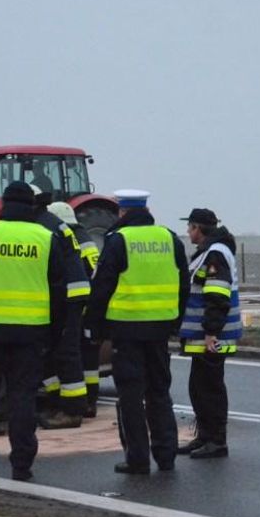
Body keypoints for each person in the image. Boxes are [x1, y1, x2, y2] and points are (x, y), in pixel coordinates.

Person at [0, 181, 88, 483]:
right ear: (33, 205)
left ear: (5, 204)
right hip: (31, 333)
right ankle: (22, 467)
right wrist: (54, 333)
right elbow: (58, 291)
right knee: (23, 399)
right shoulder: (46, 237)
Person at [84, 189, 189, 475]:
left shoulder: (118, 240)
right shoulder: (169, 238)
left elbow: (102, 286)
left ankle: (138, 459)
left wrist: (93, 327)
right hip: (159, 331)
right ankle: (166, 456)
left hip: (126, 330)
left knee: (130, 396)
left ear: (122, 212)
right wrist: (175, 322)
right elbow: (183, 283)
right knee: (159, 393)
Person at [177, 208, 242, 459]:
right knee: (198, 387)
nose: (187, 232)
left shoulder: (215, 254)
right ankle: (204, 437)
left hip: (213, 336)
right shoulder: (210, 251)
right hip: (205, 335)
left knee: (210, 390)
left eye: (190, 227)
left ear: (197, 228)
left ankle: (216, 441)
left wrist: (211, 332)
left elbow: (217, 295)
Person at [30, 186, 88, 429]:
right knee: (52, 351)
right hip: (66, 291)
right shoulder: (48, 221)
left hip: (67, 294)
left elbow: (51, 269)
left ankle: (73, 412)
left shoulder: (44, 226)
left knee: (66, 352)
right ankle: (57, 402)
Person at [47, 200, 102, 419]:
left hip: (73, 304)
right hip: (91, 304)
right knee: (89, 356)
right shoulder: (87, 237)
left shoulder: (64, 238)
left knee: (67, 352)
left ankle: (65, 400)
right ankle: (90, 401)